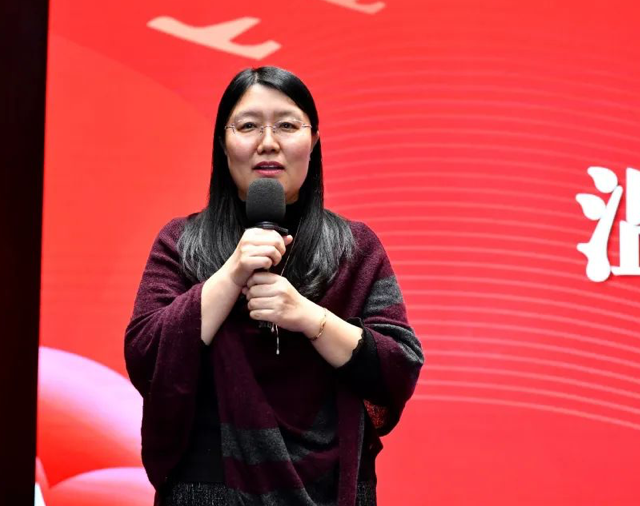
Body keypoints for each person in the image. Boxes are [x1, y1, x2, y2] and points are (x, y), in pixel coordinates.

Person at [125, 66, 424, 506]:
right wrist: (231, 274)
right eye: (248, 126)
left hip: (331, 490)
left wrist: (308, 317)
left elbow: (398, 366)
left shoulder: (356, 248)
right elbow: (145, 357)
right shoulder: (182, 242)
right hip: (208, 490)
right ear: (223, 143)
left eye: (287, 125)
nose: (268, 142)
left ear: (314, 141)